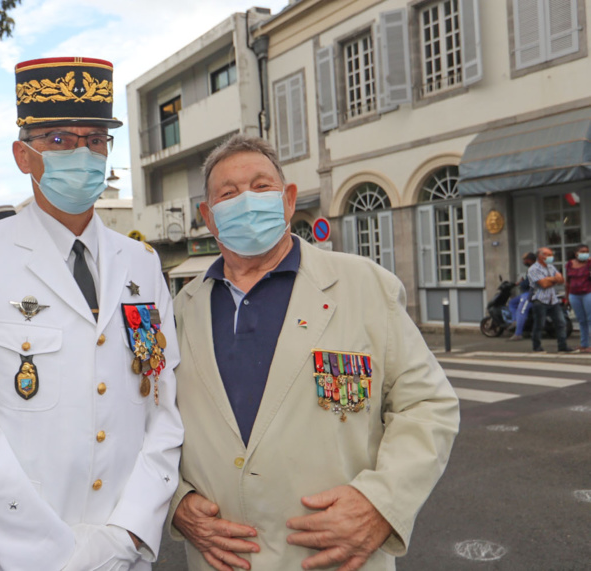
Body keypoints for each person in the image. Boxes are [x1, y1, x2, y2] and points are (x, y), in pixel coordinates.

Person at [0, 57, 183, 571]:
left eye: (95, 139)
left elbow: (163, 409)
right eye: (60, 140)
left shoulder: (142, 263)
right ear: (24, 155)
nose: (82, 154)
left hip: (122, 552)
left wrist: (128, 531)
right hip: (15, 553)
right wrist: (53, 552)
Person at [167, 135, 460, 571]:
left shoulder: (365, 286)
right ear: (208, 217)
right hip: (221, 561)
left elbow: (428, 405)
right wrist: (176, 502)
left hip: (336, 561)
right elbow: (148, 423)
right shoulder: (179, 311)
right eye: (228, 194)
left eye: (261, 187)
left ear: (287, 201)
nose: (246, 201)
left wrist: (382, 504)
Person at [528, 247, 573, 353]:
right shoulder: (533, 269)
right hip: (539, 300)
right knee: (539, 325)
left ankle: (562, 346)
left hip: (553, 300)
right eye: (548, 255)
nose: (550, 257)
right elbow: (543, 284)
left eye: (551, 254)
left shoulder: (551, 267)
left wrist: (549, 279)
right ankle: (537, 347)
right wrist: (553, 279)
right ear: (540, 256)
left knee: (561, 323)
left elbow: (561, 280)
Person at [565, 244, 591, 353]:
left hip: (587, 293)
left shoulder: (589, 263)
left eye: (587, 251)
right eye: (582, 251)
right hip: (574, 295)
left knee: (590, 319)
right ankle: (584, 344)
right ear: (576, 253)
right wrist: (567, 297)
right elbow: (567, 282)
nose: (585, 254)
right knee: (581, 320)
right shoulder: (570, 264)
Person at [508, 252, 537, 341]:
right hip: (527, 293)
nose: (523, 262)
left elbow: (530, 284)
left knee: (521, 311)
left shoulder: (534, 269)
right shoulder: (531, 268)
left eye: (525, 260)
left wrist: (521, 283)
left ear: (530, 260)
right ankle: (515, 321)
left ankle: (518, 334)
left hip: (531, 294)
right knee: (512, 303)